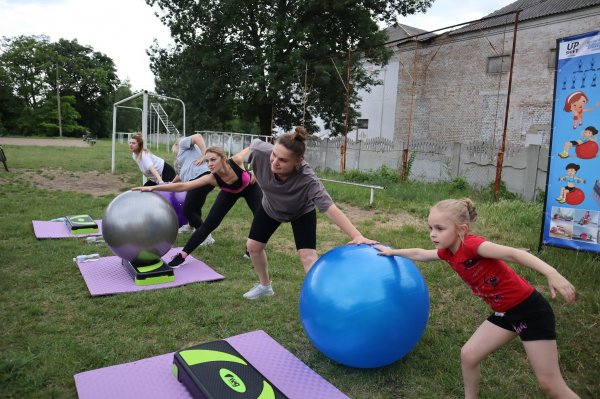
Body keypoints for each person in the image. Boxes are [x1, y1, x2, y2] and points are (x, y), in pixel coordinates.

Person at [374, 198, 578, 399]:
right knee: (469, 355)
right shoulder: (448, 252)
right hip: (505, 313)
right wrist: (392, 252)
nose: (433, 234)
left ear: (461, 229)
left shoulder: (473, 245)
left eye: (439, 228)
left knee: (550, 385)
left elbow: (514, 254)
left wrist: (552, 273)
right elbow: (421, 253)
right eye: (430, 228)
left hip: (530, 311)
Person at [238, 126, 377, 300]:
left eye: (283, 160)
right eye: (274, 155)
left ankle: (321, 297)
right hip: (271, 207)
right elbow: (249, 149)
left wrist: (357, 235)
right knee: (253, 248)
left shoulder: (308, 179)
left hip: (301, 211)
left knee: (307, 256)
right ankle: (265, 286)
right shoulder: (260, 151)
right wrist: (244, 165)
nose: (274, 162)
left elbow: (329, 207)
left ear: (298, 160)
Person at [133, 146, 262, 267]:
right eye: (207, 161)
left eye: (213, 160)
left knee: (260, 217)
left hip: (250, 187)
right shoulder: (211, 178)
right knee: (209, 224)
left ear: (223, 159)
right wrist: (153, 187)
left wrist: (256, 169)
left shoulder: (236, 160)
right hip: (229, 192)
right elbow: (183, 186)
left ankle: (250, 248)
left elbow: (256, 147)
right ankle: (182, 256)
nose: (210, 164)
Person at [170, 134, 215, 236]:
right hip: (196, 180)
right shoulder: (184, 159)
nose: (175, 154)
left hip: (201, 176)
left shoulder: (182, 144)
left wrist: (205, 156)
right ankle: (192, 227)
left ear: (176, 146)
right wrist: (171, 183)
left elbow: (198, 137)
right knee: (195, 207)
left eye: (174, 151)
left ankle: (205, 236)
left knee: (187, 209)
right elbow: (180, 175)